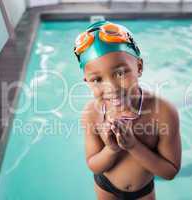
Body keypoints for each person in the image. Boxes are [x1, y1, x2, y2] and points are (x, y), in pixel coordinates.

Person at [74, 21, 182, 200]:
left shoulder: (163, 112)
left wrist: (133, 146)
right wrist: (111, 149)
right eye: (97, 79)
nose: (112, 88)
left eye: (120, 73)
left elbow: (169, 172)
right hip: (105, 187)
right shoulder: (92, 113)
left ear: (138, 67)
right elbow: (93, 165)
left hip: (143, 191)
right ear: (87, 81)